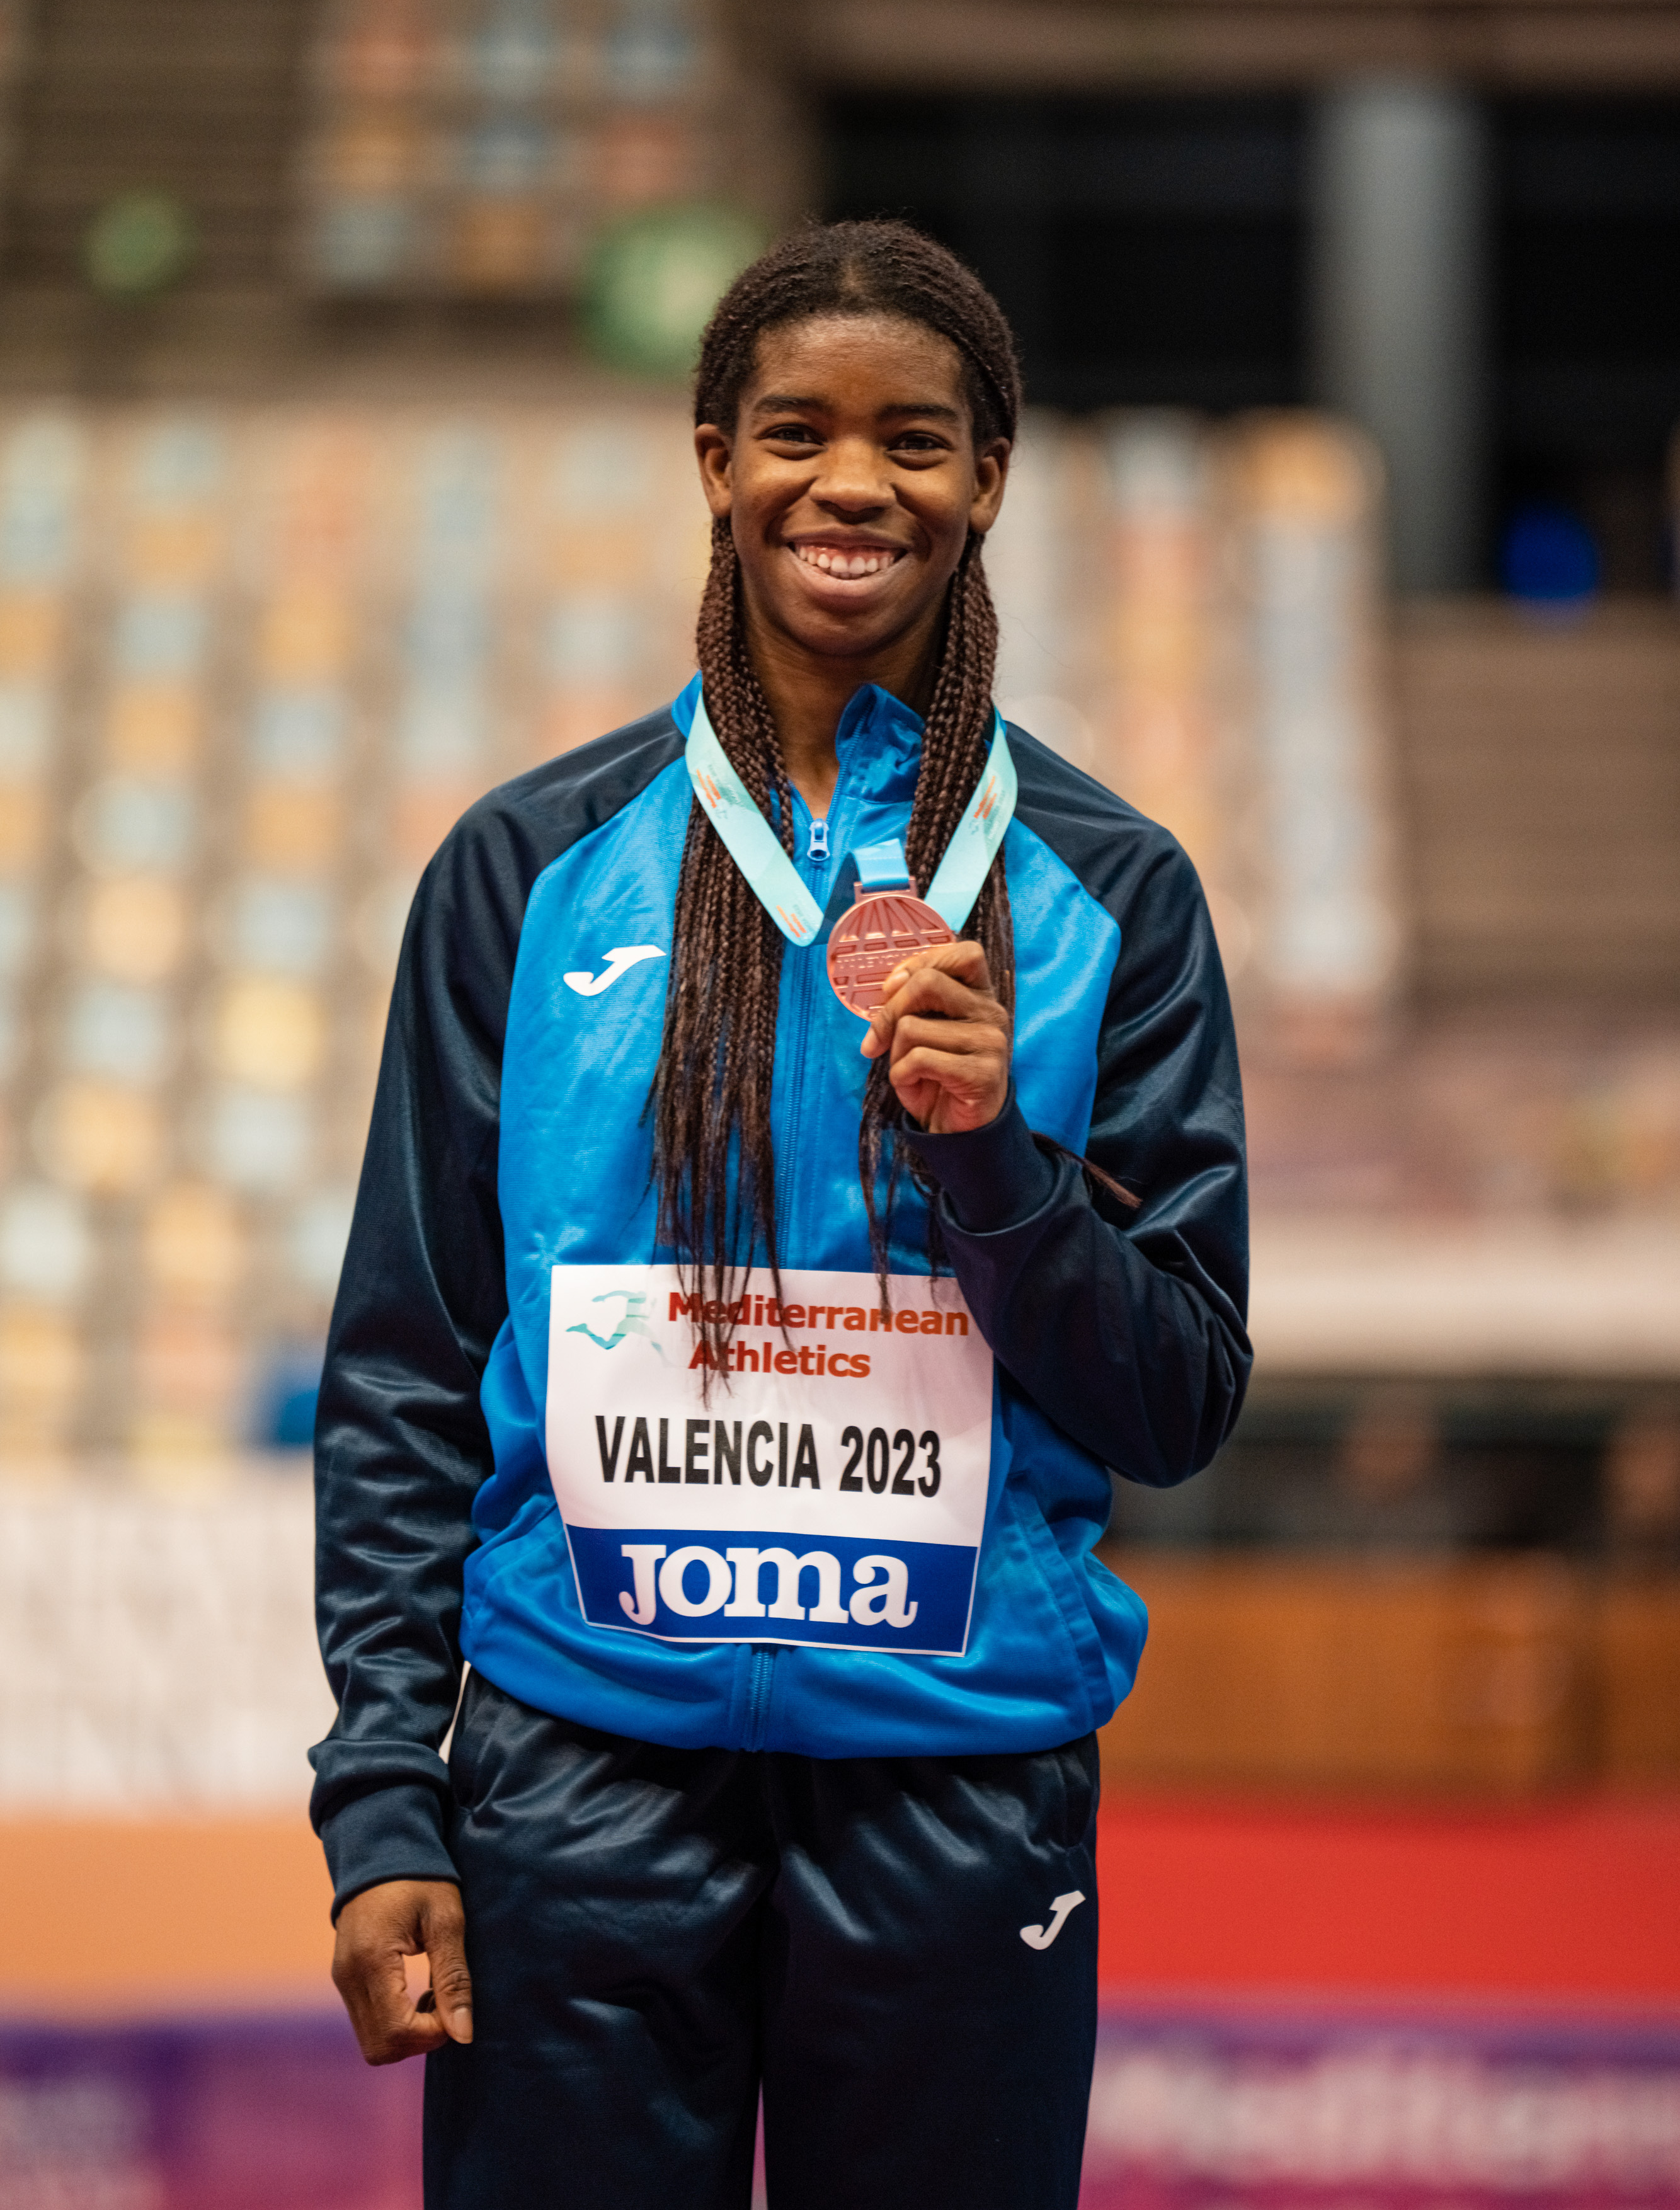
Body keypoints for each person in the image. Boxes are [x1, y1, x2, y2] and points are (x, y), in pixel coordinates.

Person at [311, 219, 1250, 2210]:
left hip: (959, 1779)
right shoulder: (527, 868)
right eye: (796, 432)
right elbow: (406, 1363)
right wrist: (385, 1794)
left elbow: (1176, 1399)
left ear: (985, 478)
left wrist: (994, 1166)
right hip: (575, 1768)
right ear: (715, 462)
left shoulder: (1108, 893)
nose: (852, 485)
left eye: (913, 440)